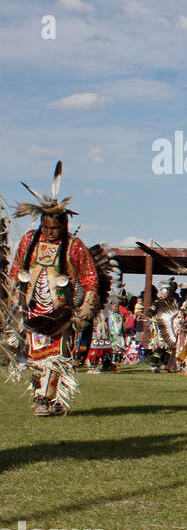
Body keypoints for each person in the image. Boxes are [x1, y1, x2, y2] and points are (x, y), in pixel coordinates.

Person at [4, 163, 100, 415]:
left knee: (54, 357)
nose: (48, 232)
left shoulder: (74, 246)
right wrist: (13, 299)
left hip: (61, 310)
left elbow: (90, 280)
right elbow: (16, 270)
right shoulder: (29, 240)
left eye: (54, 228)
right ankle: (44, 397)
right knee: (35, 357)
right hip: (32, 306)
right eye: (45, 227)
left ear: (64, 225)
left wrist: (85, 310)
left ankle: (45, 400)